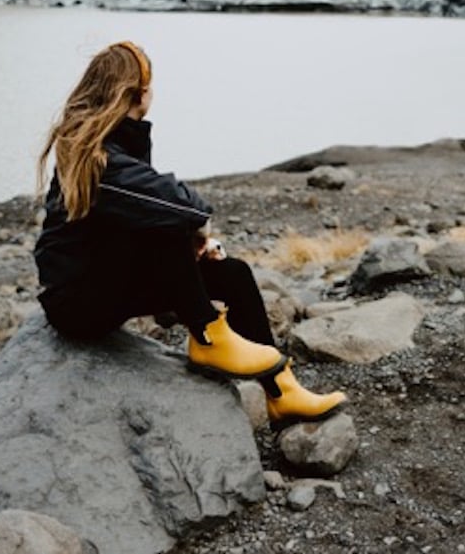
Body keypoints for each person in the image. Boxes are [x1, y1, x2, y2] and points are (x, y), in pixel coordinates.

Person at [33, 40, 346, 428]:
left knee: (232, 273)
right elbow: (180, 207)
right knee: (167, 222)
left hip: (105, 282)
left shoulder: (114, 143)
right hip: (77, 303)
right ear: (138, 92)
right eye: (151, 83)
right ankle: (208, 336)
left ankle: (283, 393)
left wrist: (194, 249)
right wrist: (198, 232)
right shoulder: (98, 157)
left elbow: (147, 213)